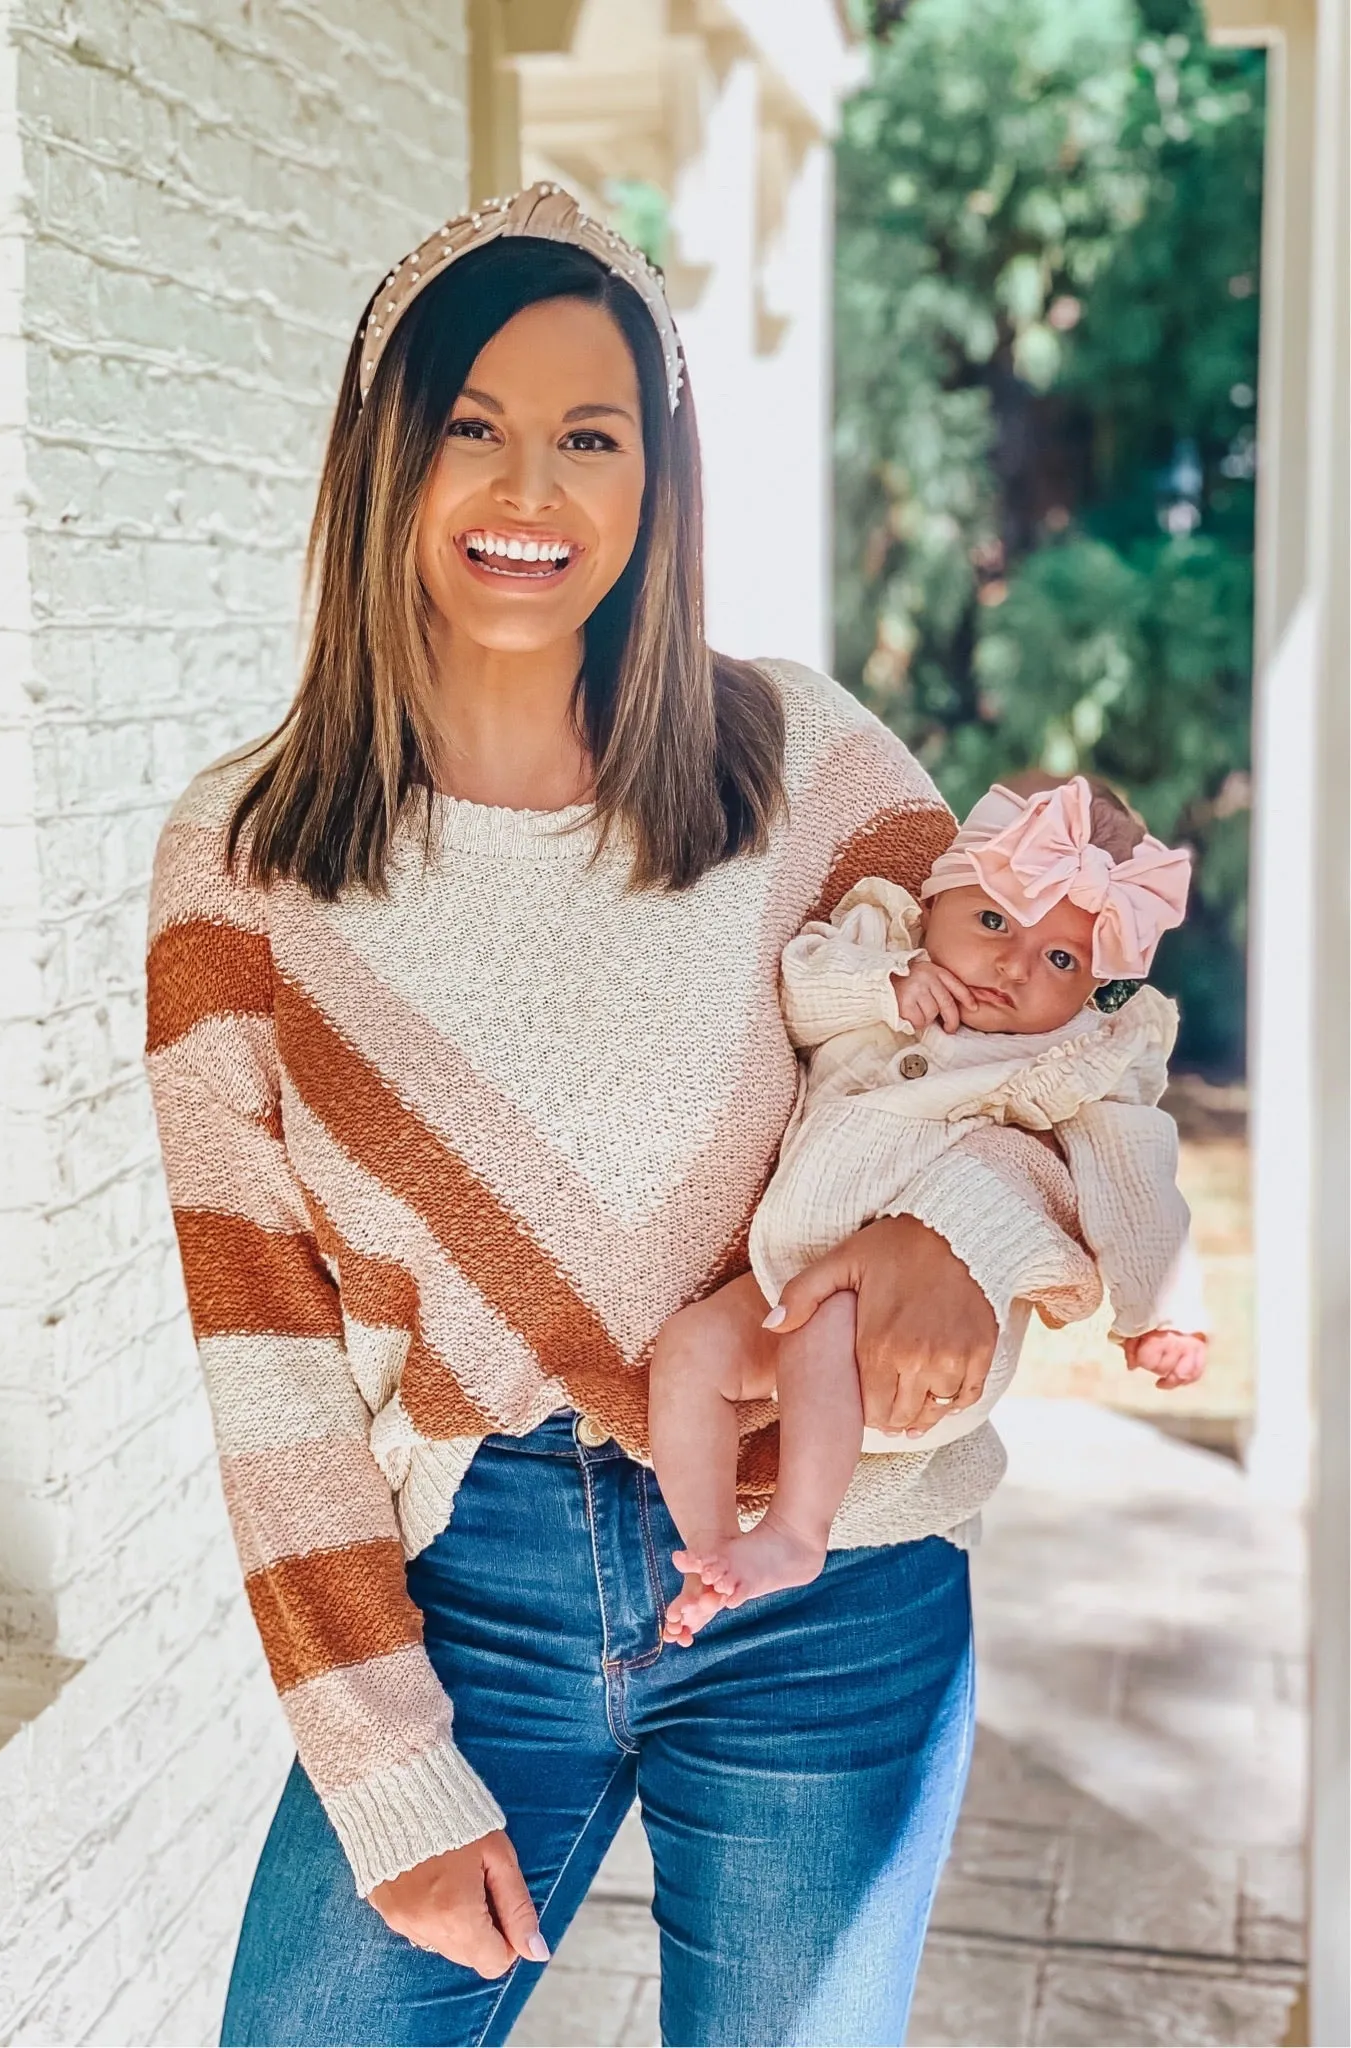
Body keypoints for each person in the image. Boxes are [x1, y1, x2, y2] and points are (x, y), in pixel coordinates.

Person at [145, 186, 1105, 2048]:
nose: (531, 486)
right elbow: (254, 1343)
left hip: (835, 1577)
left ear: (653, 481)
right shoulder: (241, 861)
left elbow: (1036, 1063)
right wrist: (379, 1761)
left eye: (590, 435)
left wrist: (954, 1242)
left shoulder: (798, 763)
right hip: (465, 1587)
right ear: (379, 458)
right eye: (470, 426)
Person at [651, 774, 1209, 1643]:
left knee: (828, 1319)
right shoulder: (878, 941)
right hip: (787, 1279)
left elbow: (1133, 1173)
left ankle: (796, 1531)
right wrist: (884, 988)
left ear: (1097, 983)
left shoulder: (1084, 1055)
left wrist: (1158, 1310)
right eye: (992, 921)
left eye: (1060, 960)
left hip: (933, 1345)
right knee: (688, 1352)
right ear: (936, 892)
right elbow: (796, 994)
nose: (1011, 966)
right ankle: (715, 1554)